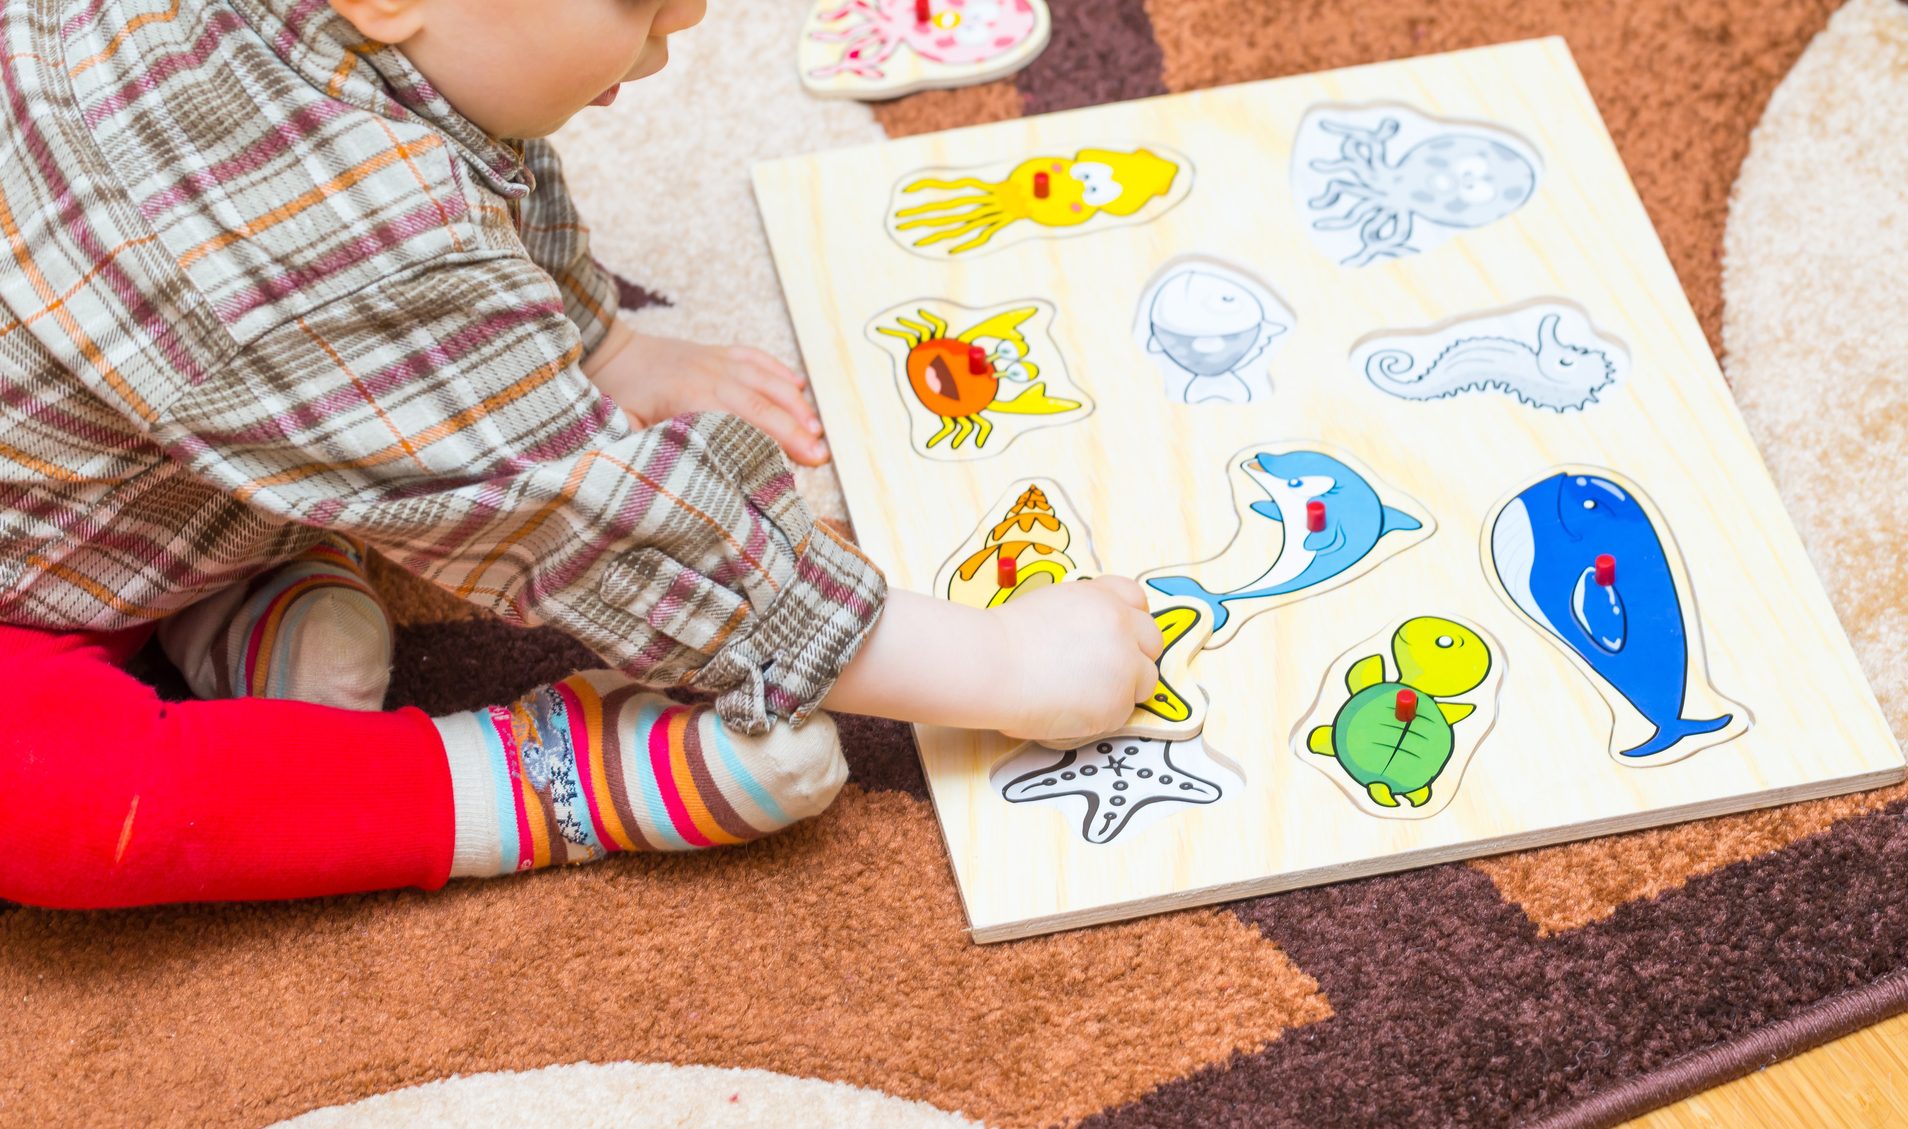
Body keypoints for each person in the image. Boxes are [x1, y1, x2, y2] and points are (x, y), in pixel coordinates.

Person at [0, 0, 1162, 909]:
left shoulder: (357, 73)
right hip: (35, 597)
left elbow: (462, 132)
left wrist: (594, 341)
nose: (691, 16)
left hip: (115, 469)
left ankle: (227, 589)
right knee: (53, 798)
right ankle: (538, 779)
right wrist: (995, 666)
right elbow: (585, 517)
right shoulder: (308, 247)